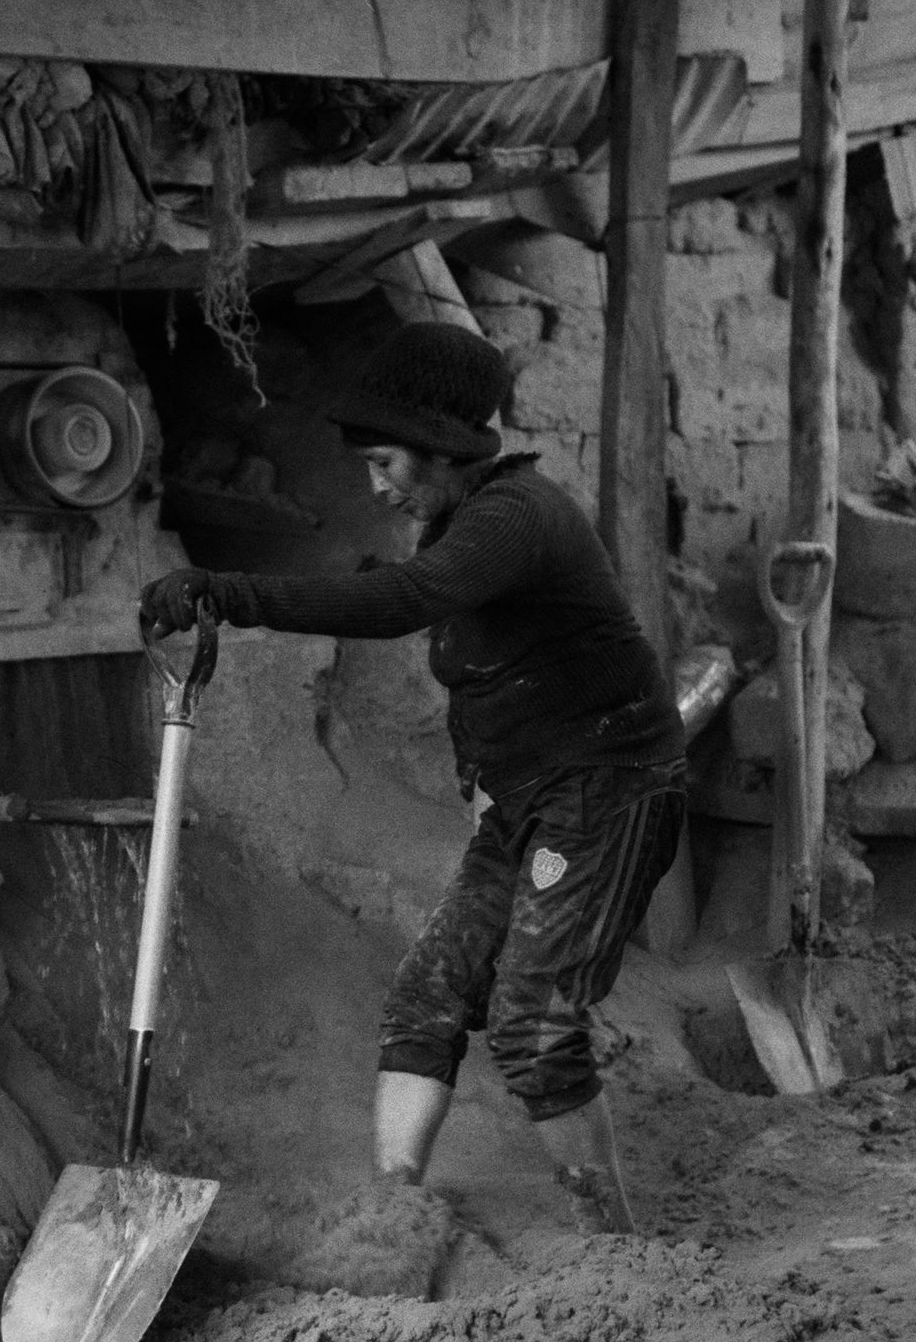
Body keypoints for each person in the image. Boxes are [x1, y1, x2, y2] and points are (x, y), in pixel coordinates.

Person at [140, 320, 686, 1232]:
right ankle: (394, 1213)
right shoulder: (463, 521)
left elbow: (403, 603)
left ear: (444, 449)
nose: (376, 482)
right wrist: (485, 783)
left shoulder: (514, 518)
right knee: (426, 997)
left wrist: (232, 594)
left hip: (608, 789)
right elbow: (487, 670)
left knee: (531, 1021)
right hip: (529, 799)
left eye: (388, 461)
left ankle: (619, 1247)